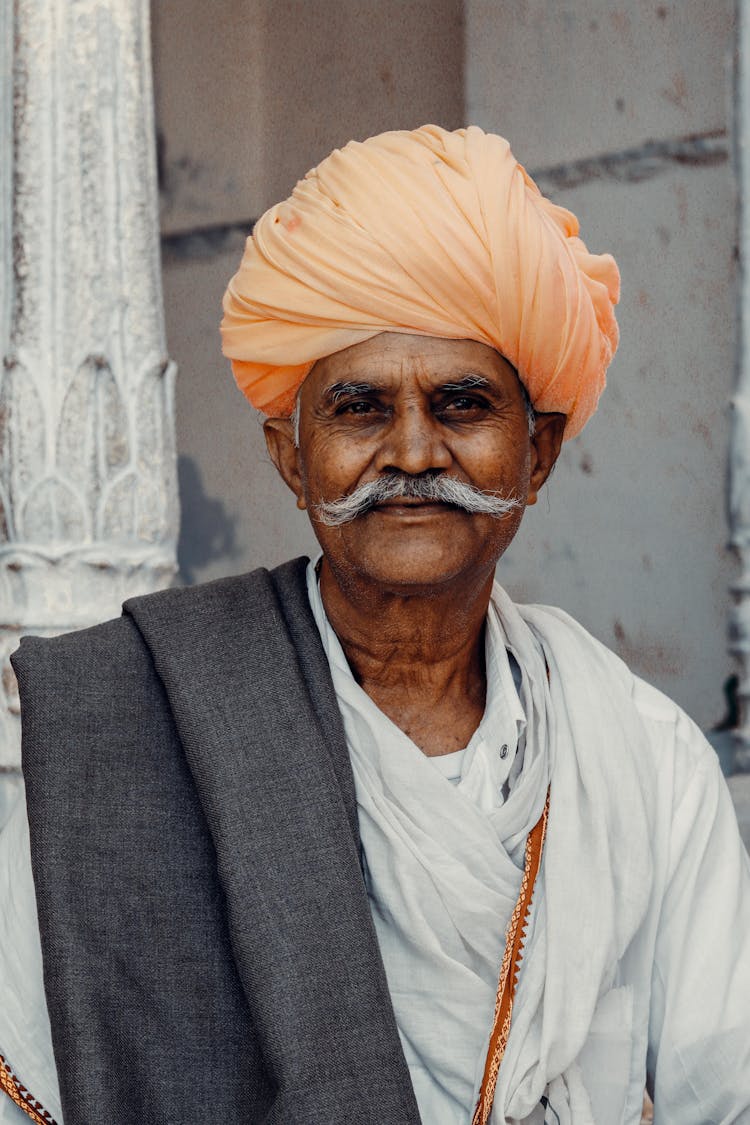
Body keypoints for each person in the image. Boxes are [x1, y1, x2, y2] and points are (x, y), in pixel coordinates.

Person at [1, 124, 749, 1125]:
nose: (410, 449)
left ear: (538, 453)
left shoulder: (645, 766)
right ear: (291, 455)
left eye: (462, 403)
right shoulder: (124, 737)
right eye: (358, 408)